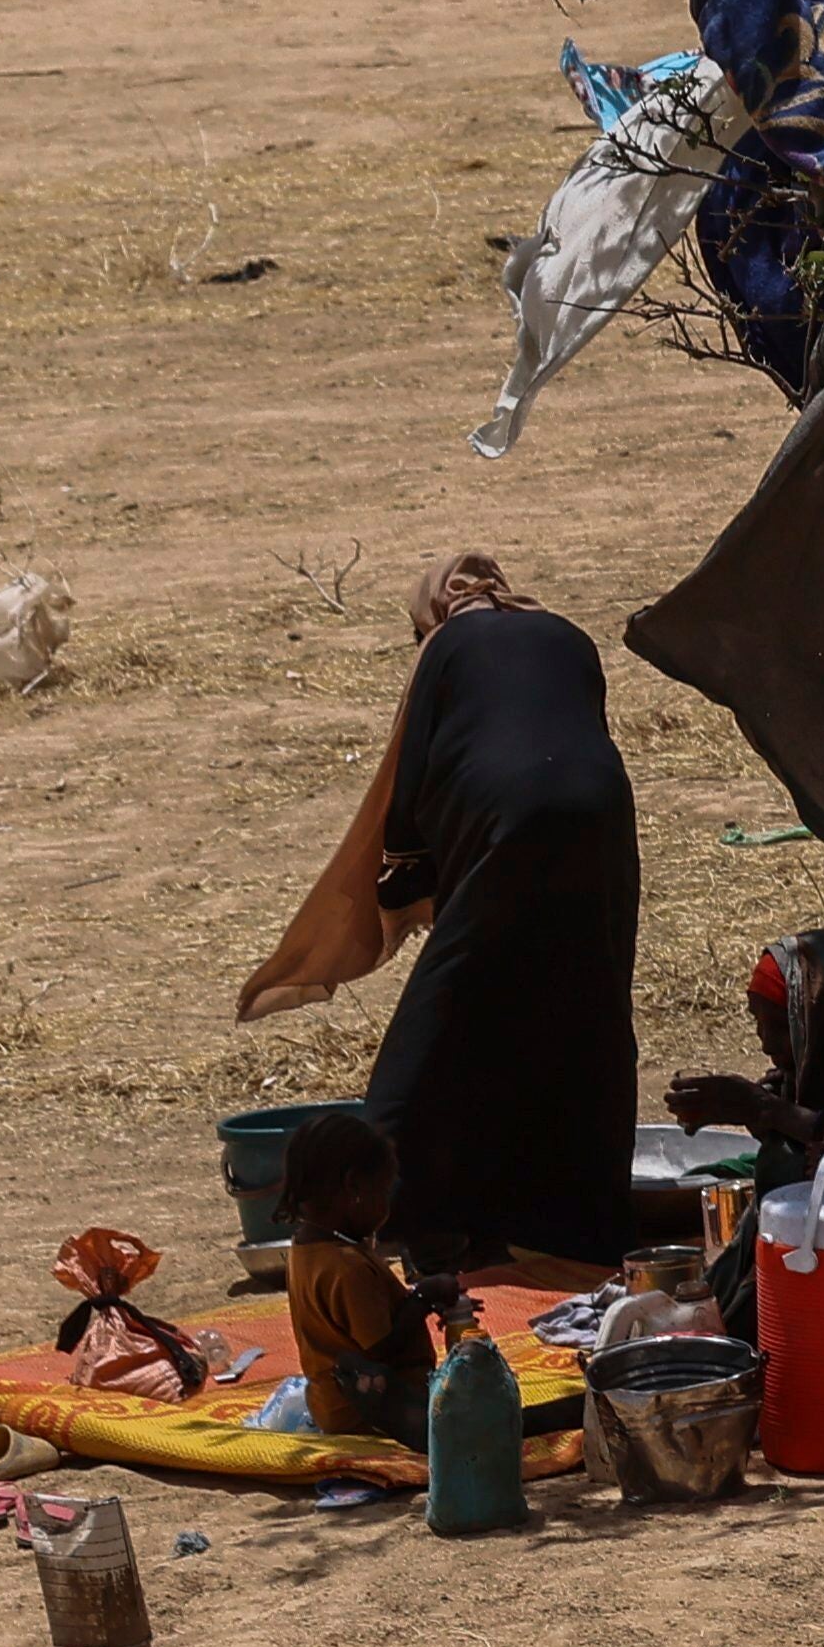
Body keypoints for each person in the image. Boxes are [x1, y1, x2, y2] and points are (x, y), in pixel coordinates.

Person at [238, 557, 665, 1268]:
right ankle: (576, 1221)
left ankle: (375, 1211)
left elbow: (414, 781)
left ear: (432, 615)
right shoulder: (566, 635)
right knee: (582, 1003)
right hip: (601, 818)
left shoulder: (447, 647)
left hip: (512, 817)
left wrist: (413, 888)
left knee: (441, 1021)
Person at [274, 1111, 427, 1442]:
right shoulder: (347, 1267)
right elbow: (380, 1351)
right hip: (371, 1413)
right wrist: (422, 1300)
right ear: (354, 1186)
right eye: (383, 1191)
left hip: (331, 1407)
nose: (386, 1207)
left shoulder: (306, 1248)